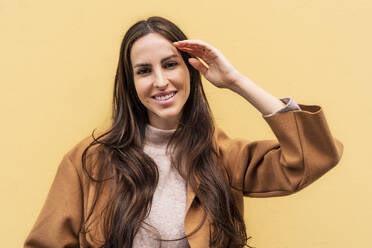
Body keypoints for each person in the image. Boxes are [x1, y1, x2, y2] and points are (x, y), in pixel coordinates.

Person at [24, 16, 344, 248]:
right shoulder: (87, 161)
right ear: (131, 83)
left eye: (170, 64)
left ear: (191, 69)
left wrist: (235, 81)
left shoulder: (220, 154)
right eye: (144, 71)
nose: (160, 81)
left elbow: (311, 158)